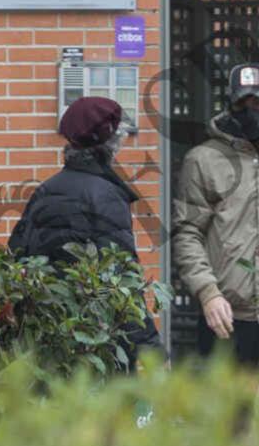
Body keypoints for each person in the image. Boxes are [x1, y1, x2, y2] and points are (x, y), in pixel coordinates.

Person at [8, 96, 164, 372]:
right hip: (99, 346)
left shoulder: (45, 191)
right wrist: (151, 349)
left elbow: (16, 256)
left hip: (48, 343)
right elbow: (122, 279)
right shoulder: (106, 197)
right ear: (111, 143)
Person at [172, 62, 259, 368]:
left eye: (258, 102)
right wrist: (208, 293)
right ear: (230, 106)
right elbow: (187, 234)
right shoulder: (202, 160)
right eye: (242, 103)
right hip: (223, 316)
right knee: (224, 401)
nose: (250, 110)